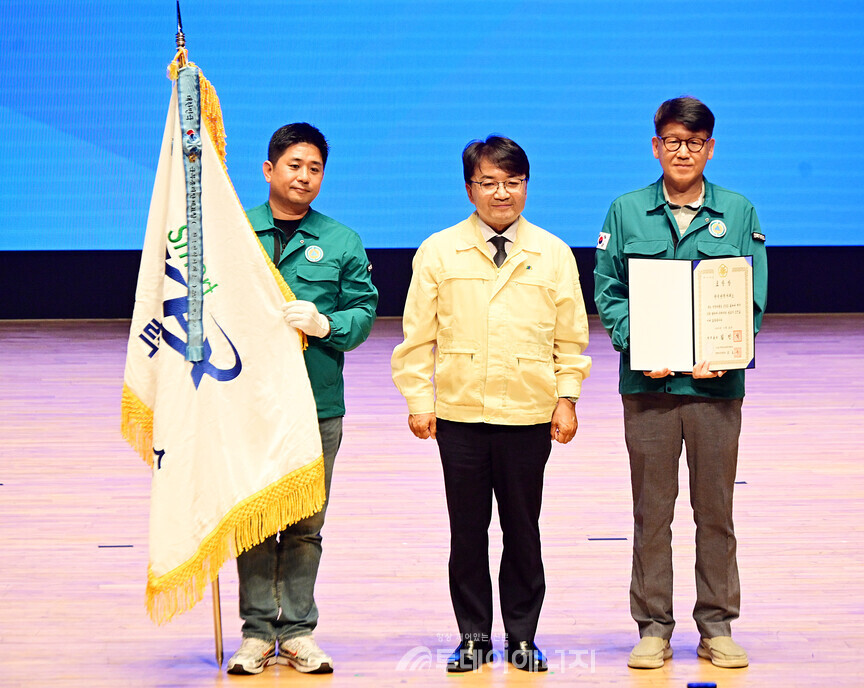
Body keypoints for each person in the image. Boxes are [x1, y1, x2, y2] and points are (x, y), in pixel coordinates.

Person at [391, 135, 591, 673]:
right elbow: (416, 340)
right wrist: (418, 399)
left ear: (526, 186)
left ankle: (523, 636)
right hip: (459, 415)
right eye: (490, 182)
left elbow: (571, 341)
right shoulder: (438, 250)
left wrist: (566, 399)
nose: (502, 193)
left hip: (529, 414)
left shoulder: (553, 253)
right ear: (469, 188)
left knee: (524, 529)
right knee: (467, 529)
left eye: (513, 182)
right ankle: (474, 636)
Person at [593, 97, 767, 670]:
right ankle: (653, 627)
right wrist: (638, 344)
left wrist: (730, 350)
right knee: (652, 511)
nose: (683, 151)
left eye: (694, 142)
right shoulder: (626, 210)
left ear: (710, 148)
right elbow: (609, 292)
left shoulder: (738, 211)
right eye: (672, 141)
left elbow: (752, 297)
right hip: (649, 390)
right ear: (655, 146)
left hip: (716, 390)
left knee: (715, 511)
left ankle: (716, 625)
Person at [226, 122, 378, 675]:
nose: (305, 176)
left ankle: (297, 632)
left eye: (315, 168)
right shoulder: (232, 234)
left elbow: (363, 317)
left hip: (316, 403)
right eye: (294, 165)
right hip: (247, 402)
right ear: (269, 170)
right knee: (254, 520)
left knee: (306, 523)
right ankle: (255, 632)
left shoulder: (340, 241)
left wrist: (325, 323)